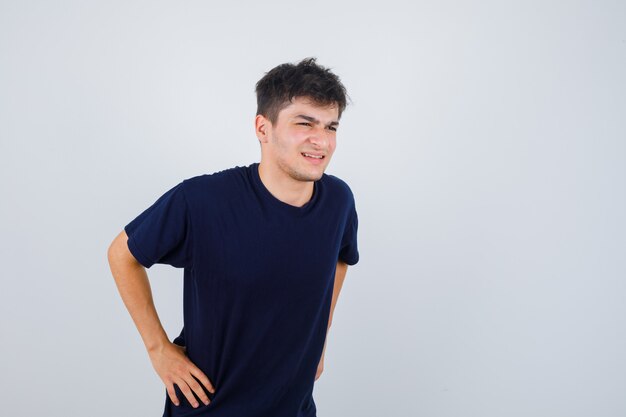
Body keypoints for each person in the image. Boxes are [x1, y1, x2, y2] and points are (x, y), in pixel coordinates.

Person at [107, 57, 360, 417]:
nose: (321, 140)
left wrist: (321, 337)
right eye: (304, 123)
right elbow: (122, 254)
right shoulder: (200, 201)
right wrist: (158, 349)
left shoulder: (338, 201)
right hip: (209, 407)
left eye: (330, 127)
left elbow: (341, 257)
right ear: (263, 127)